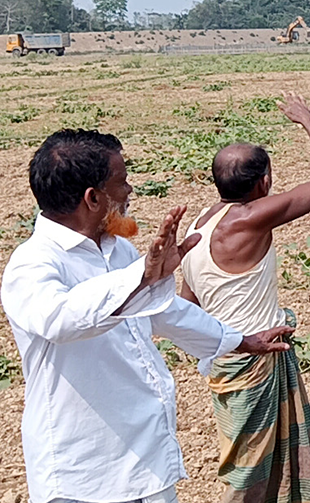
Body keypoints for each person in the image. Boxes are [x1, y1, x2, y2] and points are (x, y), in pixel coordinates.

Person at [1, 129, 291, 503]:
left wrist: (239, 340)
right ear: (92, 198)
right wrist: (140, 278)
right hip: (84, 470)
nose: (130, 191)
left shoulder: (116, 250)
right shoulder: (33, 263)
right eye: (122, 183)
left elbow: (164, 311)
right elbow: (60, 319)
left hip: (146, 456)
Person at [179, 93, 310, 503]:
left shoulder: (199, 225)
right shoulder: (249, 219)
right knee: (250, 475)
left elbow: (188, 303)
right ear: (263, 183)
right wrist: (308, 119)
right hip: (253, 360)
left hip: (224, 360)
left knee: (253, 461)